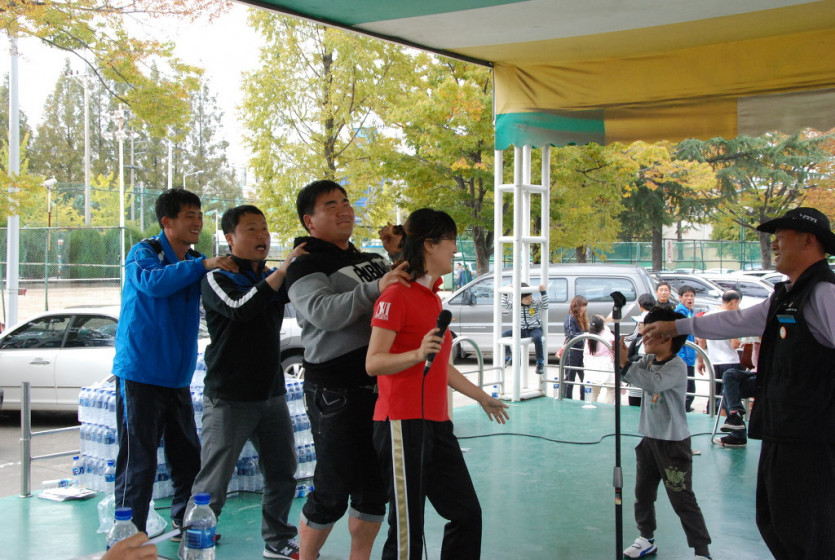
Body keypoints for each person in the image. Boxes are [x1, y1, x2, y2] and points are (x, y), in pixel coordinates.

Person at [641, 207, 835, 560]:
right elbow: (738, 321)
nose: (774, 244)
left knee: (808, 528)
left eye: (781, 237)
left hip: (814, 437)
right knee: (775, 520)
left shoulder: (825, 293)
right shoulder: (787, 294)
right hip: (783, 429)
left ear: (809, 240)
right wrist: (677, 326)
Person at [366, 208, 509, 560]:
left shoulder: (432, 298)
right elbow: (374, 362)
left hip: (437, 423)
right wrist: (416, 354)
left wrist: (481, 396)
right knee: (408, 532)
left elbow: (440, 366)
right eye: (451, 241)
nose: (455, 249)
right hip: (401, 424)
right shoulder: (395, 296)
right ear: (429, 245)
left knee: (466, 514)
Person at [285, 180, 411, 560]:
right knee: (332, 489)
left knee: (374, 488)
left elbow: (401, 292)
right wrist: (376, 287)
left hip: (380, 386)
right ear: (309, 220)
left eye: (345, 202)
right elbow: (323, 312)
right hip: (334, 392)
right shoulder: (304, 263)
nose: (344, 210)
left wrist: (399, 253)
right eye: (331, 205)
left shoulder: (369, 257)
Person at [112, 188, 237, 533]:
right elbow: (153, 283)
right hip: (140, 374)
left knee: (188, 457)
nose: (197, 222)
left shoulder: (195, 260)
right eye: (189, 216)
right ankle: (129, 534)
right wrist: (202, 265)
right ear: (167, 222)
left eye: (200, 215)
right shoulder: (145, 252)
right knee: (138, 460)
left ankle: (186, 520)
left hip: (177, 377)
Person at [189, 205, 308, 559]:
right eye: (252, 229)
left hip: (271, 394)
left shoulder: (271, 276)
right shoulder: (217, 277)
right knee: (214, 481)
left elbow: (299, 290)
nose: (262, 235)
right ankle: (194, 543)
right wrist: (280, 273)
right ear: (230, 238)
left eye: (265, 228)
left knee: (283, 472)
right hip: (228, 397)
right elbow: (240, 308)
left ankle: (278, 539)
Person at [619, 306, 712, 560]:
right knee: (643, 494)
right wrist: (622, 360)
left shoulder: (676, 366)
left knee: (682, 499)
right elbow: (632, 376)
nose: (644, 337)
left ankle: (701, 551)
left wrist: (625, 363)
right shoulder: (648, 361)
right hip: (649, 440)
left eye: (650, 332)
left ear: (667, 336)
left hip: (673, 445)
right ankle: (645, 538)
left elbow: (653, 383)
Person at [696, 290, 742, 415]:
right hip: (730, 361)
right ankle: (723, 422)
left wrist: (700, 361)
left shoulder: (707, 316)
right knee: (727, 397)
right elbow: (734, 344)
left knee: (714, 393)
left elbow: (701, 341)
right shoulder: (731, 318)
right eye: (738, 304)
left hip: (713, 362)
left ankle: (711, 417)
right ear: (733, 302)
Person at [501, 282, 549, 374]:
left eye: (530, 296)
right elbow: (504, 304)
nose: (530, 299)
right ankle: (507, 355)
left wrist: (543, 292)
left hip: (535, 328)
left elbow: (545, 305)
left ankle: (540, 362)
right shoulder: (516, 304)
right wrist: (506, 291)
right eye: (526, 298)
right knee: (504, 335)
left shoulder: (534, 303)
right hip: (522, 330)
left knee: (537, 338)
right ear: (520, 299)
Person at [624, 293, 656, 407]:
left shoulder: (657, 344)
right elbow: (629, 357)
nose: (638, 325)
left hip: (649, 387)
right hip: (635, 386)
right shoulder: (638, 341)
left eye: (640, 323)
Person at [673, 285, 697, 412]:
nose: (689, 298)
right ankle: (683, 412)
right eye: (686, 296)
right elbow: (677, 338)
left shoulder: (688, 312)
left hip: (689, 358)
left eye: (692, 296)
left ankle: (685, 409)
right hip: (684, 359)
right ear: (680, 297)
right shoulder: (679, 313)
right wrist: (681, 358)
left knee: (689, 388)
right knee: (688, 389)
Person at [583, 314, 615, 403]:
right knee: (612, 389)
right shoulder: (609, 336)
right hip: (606, 365)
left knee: (593, 392)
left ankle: (591, 407)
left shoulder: (588, 336)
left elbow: (585, 353)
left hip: (591, 365)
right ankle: (607, 407)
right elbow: (614, 352)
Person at [562, 295, 588, 399]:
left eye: (585, 306)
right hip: (572, 351)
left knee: (585, 378)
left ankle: (583, 399)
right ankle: (567, 399)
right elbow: (571, 334)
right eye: (582, 306)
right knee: (570, 378)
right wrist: (584, 335)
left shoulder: (582, 318)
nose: (584, 309)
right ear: (576, 307)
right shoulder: (570, 318)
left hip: (582, 351)